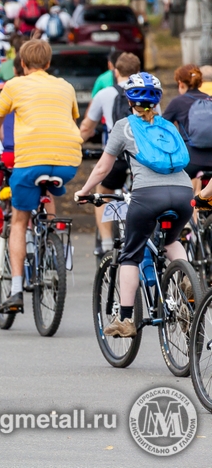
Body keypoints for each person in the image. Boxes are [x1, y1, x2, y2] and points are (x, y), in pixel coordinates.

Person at [75, 72, 193, 337]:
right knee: (172, 239)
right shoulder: (168, 126)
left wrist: (84, 191)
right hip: (185, 193)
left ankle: (125, 318)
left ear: (129, 100)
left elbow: (104, 166)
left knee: (131, 253)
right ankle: (189, 280)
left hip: (148, 196)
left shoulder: (124, 126)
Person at [0, 40, 82, 314]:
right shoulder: (66, 86)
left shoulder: (13, 85)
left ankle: (15, 290)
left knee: (20, 220)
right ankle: (53, 246)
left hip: (30, 163)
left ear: (22, 64)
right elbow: (70, 118)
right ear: (48, 64)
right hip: (68, 163)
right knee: (45, 198)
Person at [79, 53, 140, 254]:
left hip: (115, 158)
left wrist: (75, 144)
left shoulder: (105, 94)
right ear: (138, 72)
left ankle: (105, 243)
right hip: (140, 158)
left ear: (115, 71)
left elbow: (87, 127)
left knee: (103, 192)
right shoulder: (147, 93)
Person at [163, 64, 212, 189]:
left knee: (180, 191)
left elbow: (161, 127)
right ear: (200, 83)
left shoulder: (178, 102)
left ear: (180, 83)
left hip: (191, 161)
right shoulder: (210, 100)